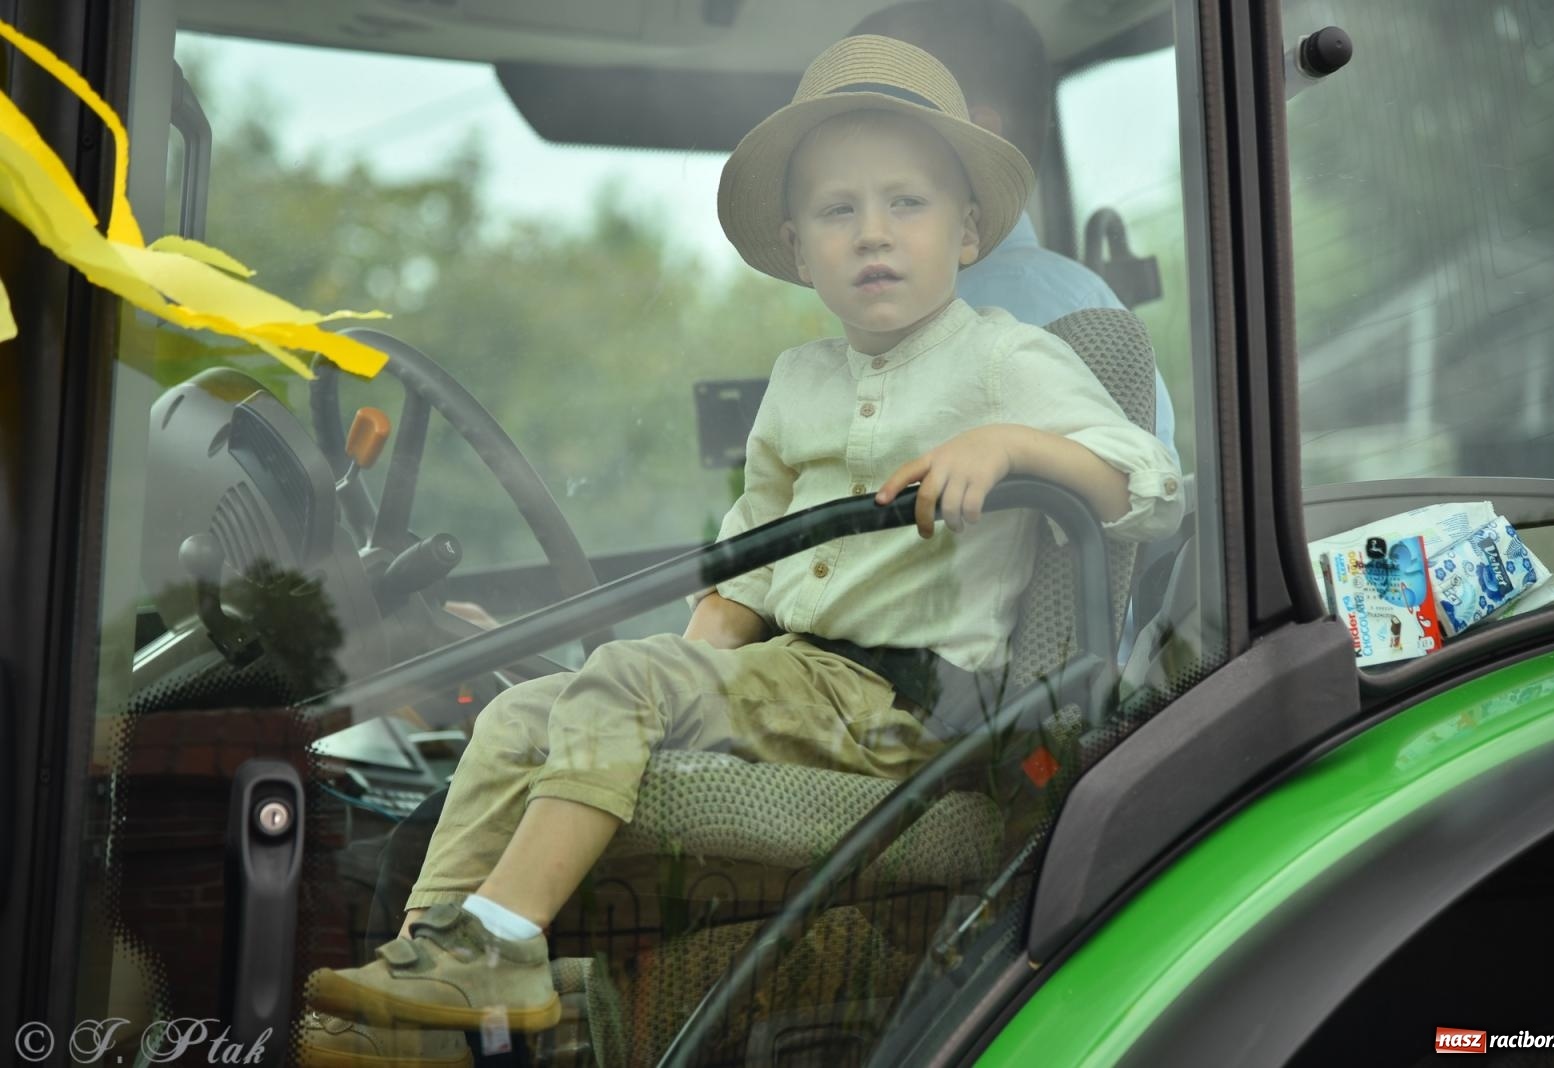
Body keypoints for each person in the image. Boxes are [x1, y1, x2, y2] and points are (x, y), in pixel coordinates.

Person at [300, 34, 1182, 1063]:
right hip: (783, 683)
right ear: (799, 247)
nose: (873, 234)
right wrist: (640, 687)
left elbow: (1147, 482)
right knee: (514, 715)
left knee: (621, 684)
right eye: (838, 212)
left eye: (907, 203)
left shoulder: (1008, 359)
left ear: (969, 228)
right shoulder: (798, 378)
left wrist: (1015, 445)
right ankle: (427, 984)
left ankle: (501, 941)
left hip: (900, 709)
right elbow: (744, 567)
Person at [852, 0, 1179, 463]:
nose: (841, 147)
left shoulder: (1007, 308)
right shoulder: (912, 299)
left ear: (972, 139)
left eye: (871, 119)